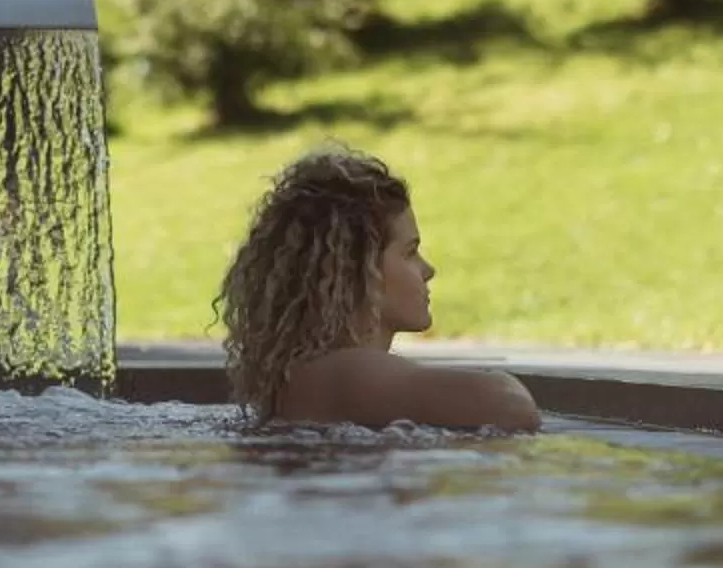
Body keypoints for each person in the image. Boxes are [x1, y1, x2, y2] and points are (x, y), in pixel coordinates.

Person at [214, 146, 541, 432]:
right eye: (410, 252)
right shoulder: (350, 373)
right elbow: (510, 406)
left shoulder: (301, 377)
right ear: (358, 270)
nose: (428, 271)